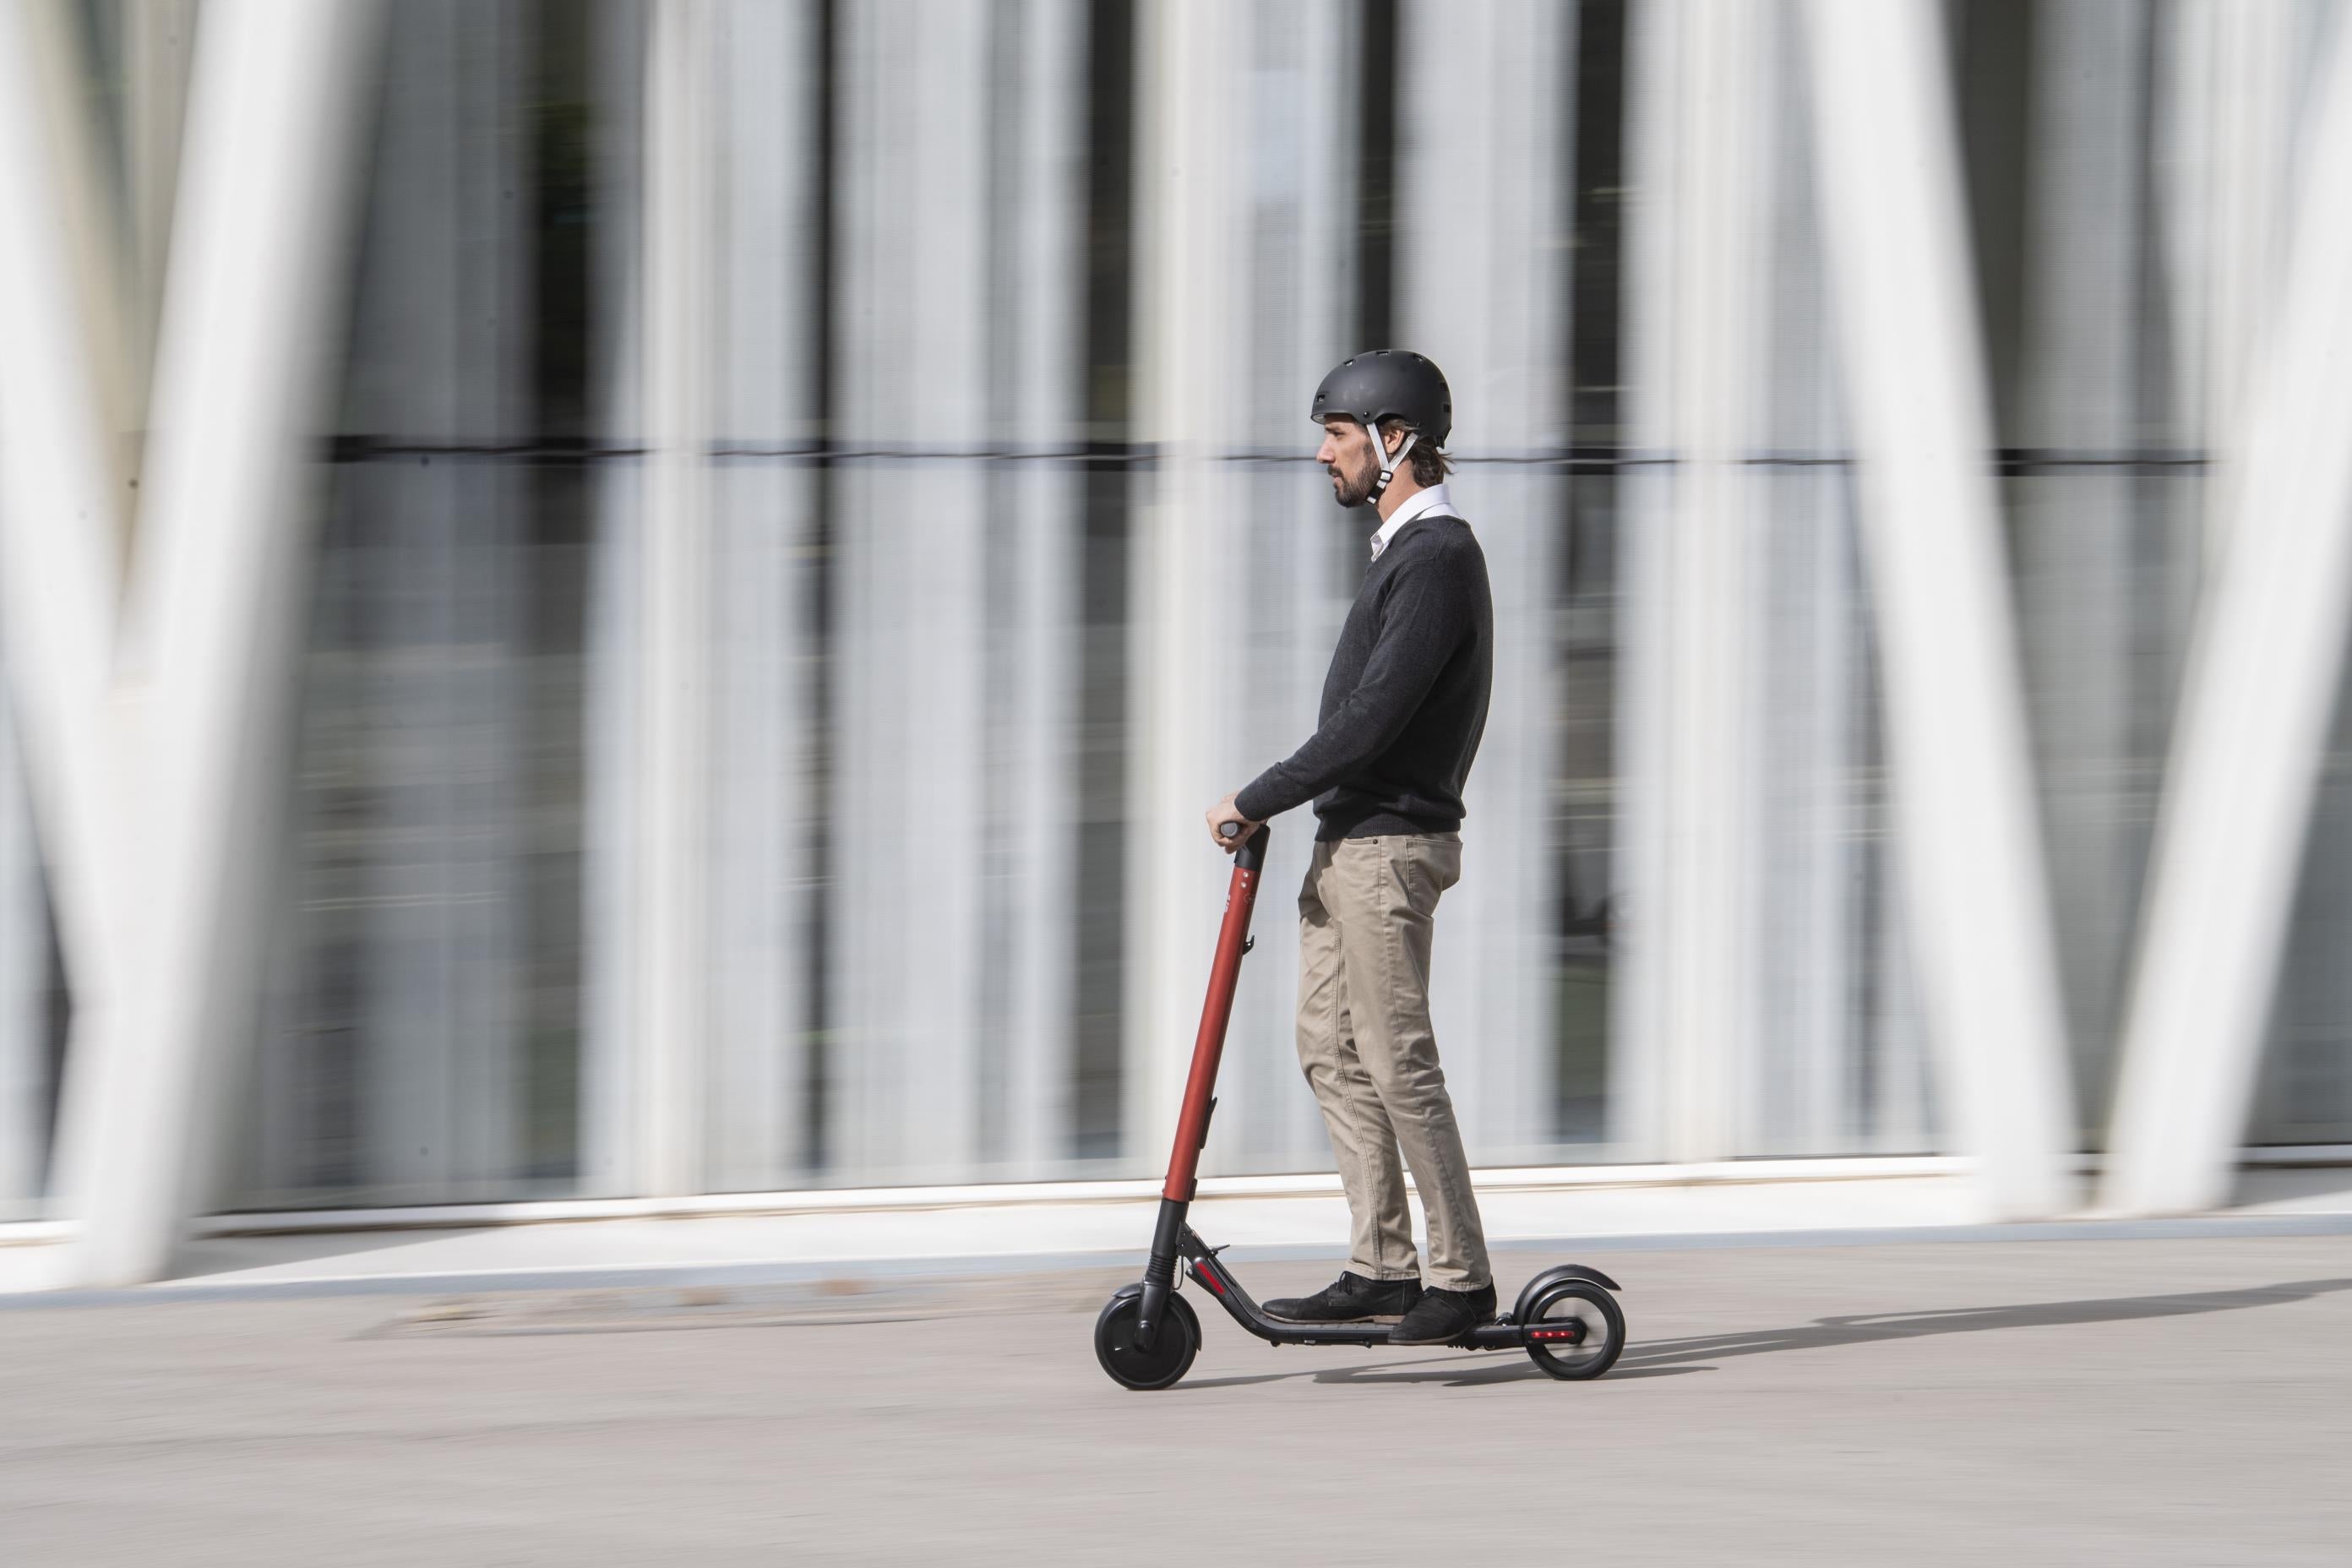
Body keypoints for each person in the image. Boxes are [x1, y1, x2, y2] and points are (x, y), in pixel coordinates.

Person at [1204, 349, 1496, 1346]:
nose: (1324, 454)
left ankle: (1460, 1275)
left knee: (1397, 1056)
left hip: (1388, 846)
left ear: (1395, 440)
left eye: (1337, 435)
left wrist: (1257, 794)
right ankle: (1382, 1264)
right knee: (1331, 1048)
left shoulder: (1439, 557)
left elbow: (1372, 720)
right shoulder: (1400, 556)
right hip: (1348, 841)